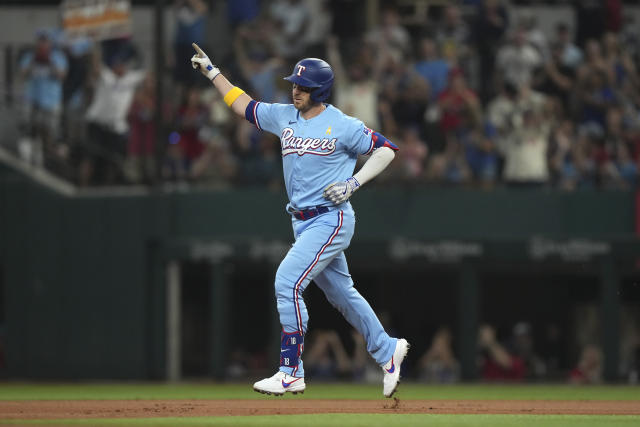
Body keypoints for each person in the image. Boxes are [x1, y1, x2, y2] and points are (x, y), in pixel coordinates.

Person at [191, 44, 409, 398]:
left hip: (330, 219)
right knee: (342, 295)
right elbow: (243, 105)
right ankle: (387, 349)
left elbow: (386, 149)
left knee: (286, 282)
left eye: (302, 86)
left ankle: (291, 370)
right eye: (294, 83)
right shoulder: (284, 115)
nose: (295, 89)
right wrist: (213, 72)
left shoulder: (342, 124)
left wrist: (354, 182)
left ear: (320, 91)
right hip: (303, 222)